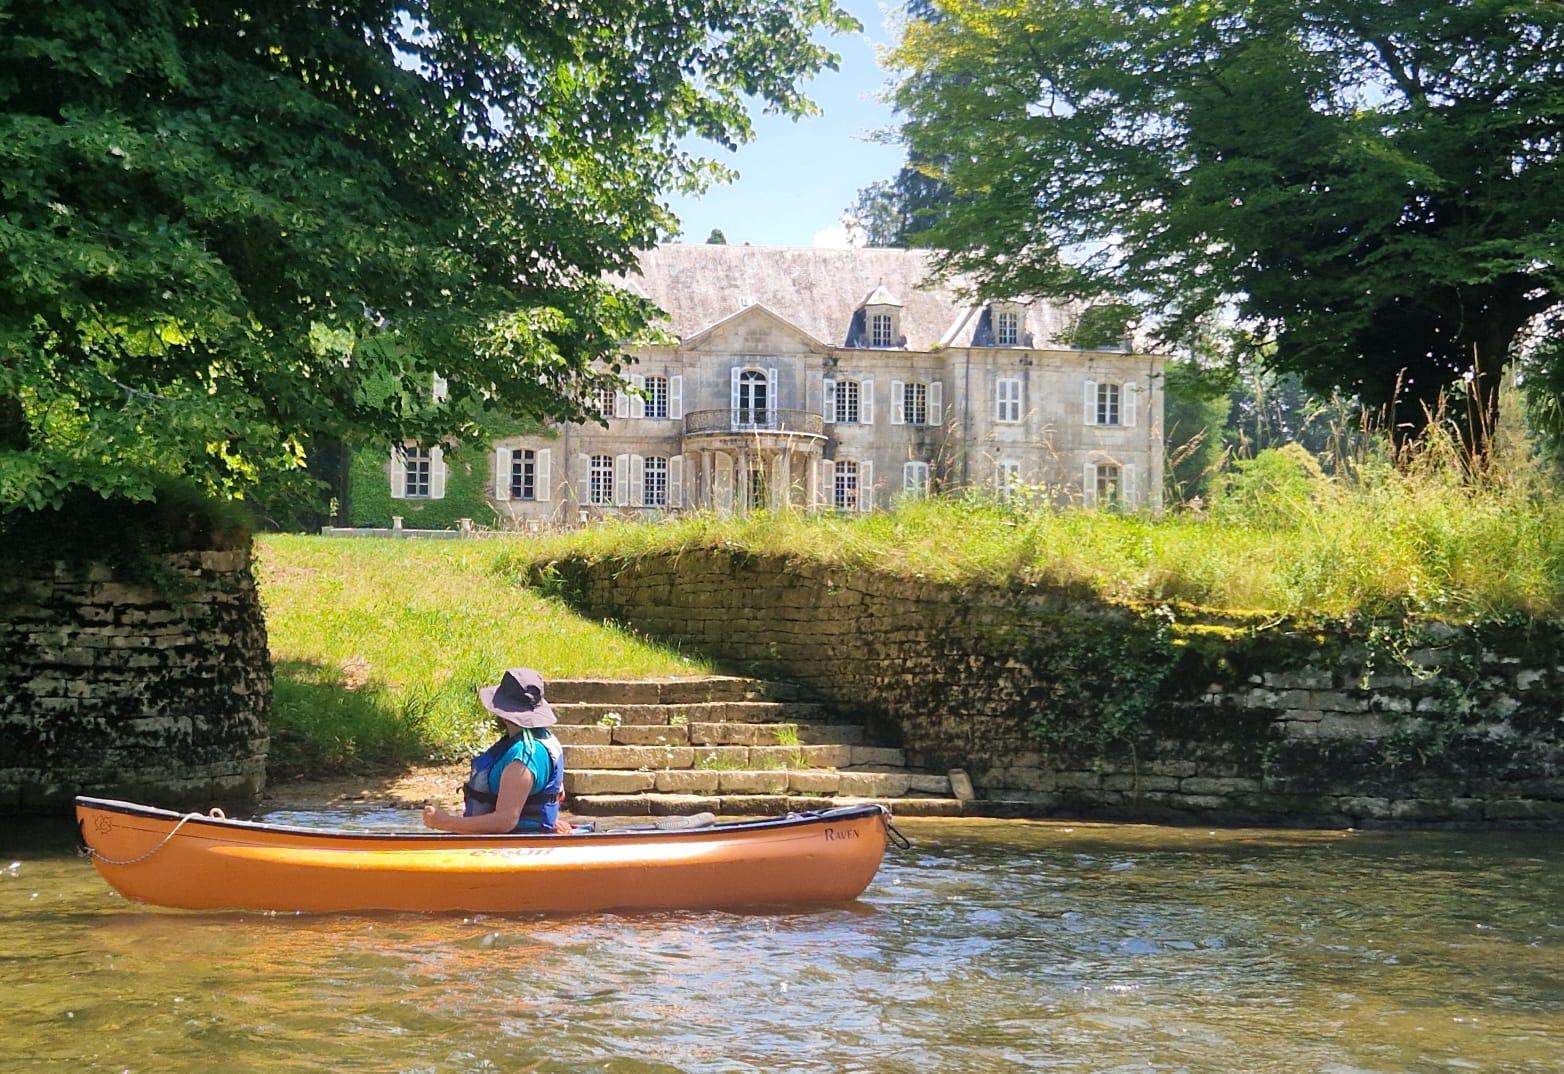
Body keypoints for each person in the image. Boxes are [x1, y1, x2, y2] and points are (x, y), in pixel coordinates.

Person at [422, 667, 573, 835]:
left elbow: (505, 821)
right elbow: (556, 794)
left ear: (502, 711)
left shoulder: (523, 757)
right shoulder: (544, 739)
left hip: (513, 848)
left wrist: (446, 822)